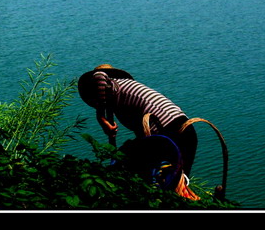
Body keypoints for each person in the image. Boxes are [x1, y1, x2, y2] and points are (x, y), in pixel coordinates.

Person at [78, 64, 199, 199]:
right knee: (173, 185)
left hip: (170, 130)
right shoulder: (120, 97)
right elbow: (142, 134)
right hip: (187, 132)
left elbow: (99, 76)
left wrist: (100, 117)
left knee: (124, 160)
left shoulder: (113, 84)